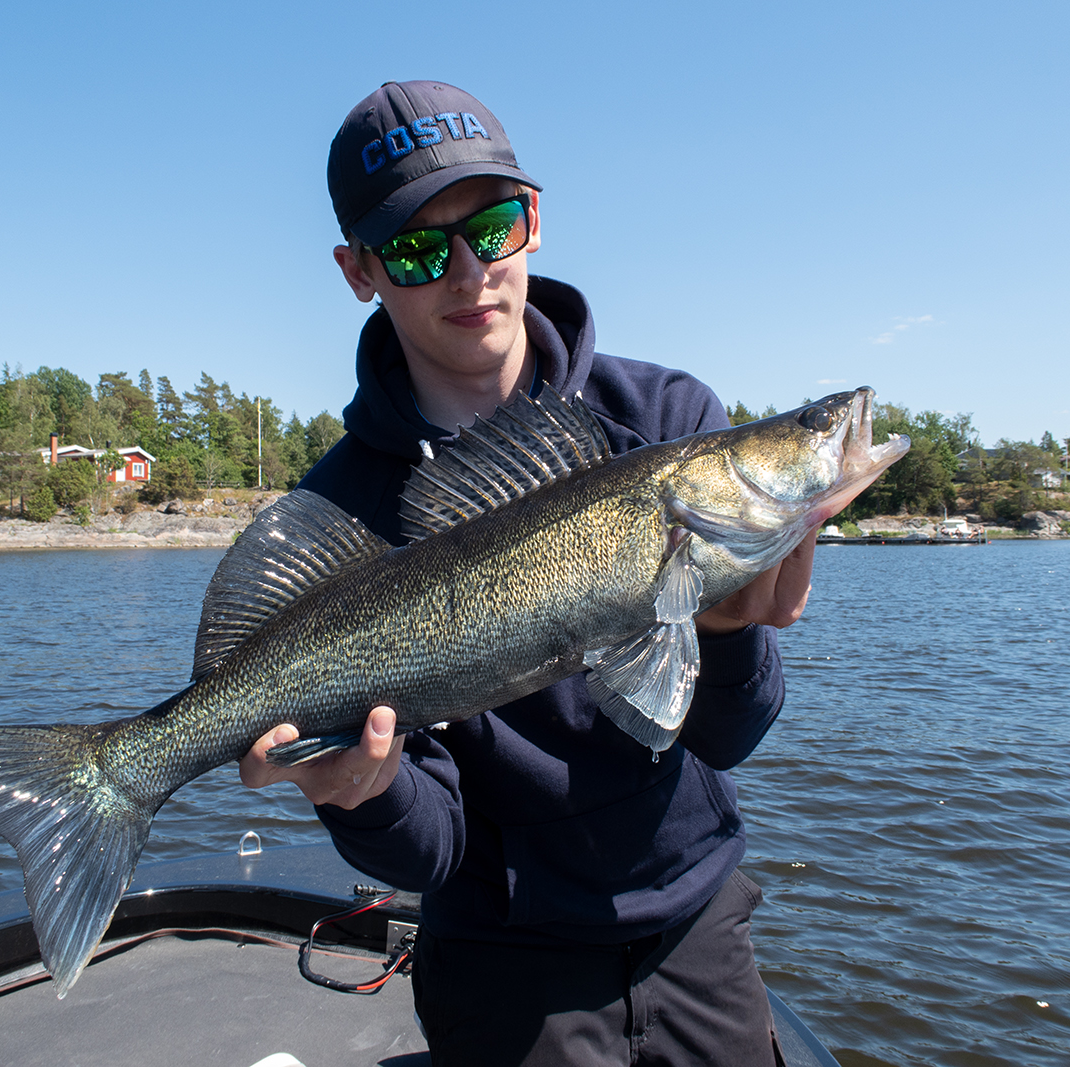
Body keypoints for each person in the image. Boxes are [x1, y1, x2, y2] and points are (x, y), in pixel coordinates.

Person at [239, 81, 820, 1066]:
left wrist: (726, 638)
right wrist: (356, 791)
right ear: (358, 271)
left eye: (491, 225)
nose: (467, 272)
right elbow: (427, 851)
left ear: (534, 220)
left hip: (695, 918)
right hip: (501, 959)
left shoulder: (669, 423)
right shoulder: (343, 515)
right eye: (420, 250)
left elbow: (725, 734)